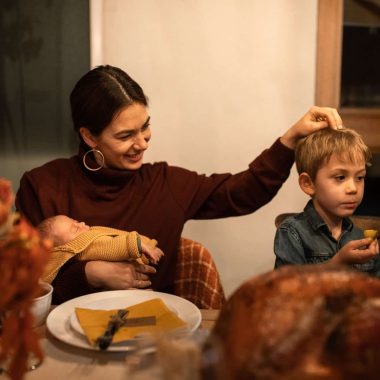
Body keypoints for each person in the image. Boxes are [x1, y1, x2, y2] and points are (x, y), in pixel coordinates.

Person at [15, 65, 343, 304]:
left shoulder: (164, 183)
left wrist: (290, 139)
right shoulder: (42, 187)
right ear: (89, 136)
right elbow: (23, 285)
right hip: (64, 338)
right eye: (125, 136)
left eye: (145, 127)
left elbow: (244, 193)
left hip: (148, 336)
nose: (142, 143)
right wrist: (92, 273)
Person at [274, 127, 380, 275]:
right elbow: (287, 290)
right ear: (308, 184)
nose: (353, 188)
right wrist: (338, 263)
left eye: (359, 177)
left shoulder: (361, 237)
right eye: (340, 177)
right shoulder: (292, 233)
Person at [37, 215, 164, 284]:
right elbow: (110, 246)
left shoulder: (87, 236)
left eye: (75, 221)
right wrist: (140, 245)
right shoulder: (82, 247)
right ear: (63, 247)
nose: (81, 224)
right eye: (75, 229)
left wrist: (146, 243)